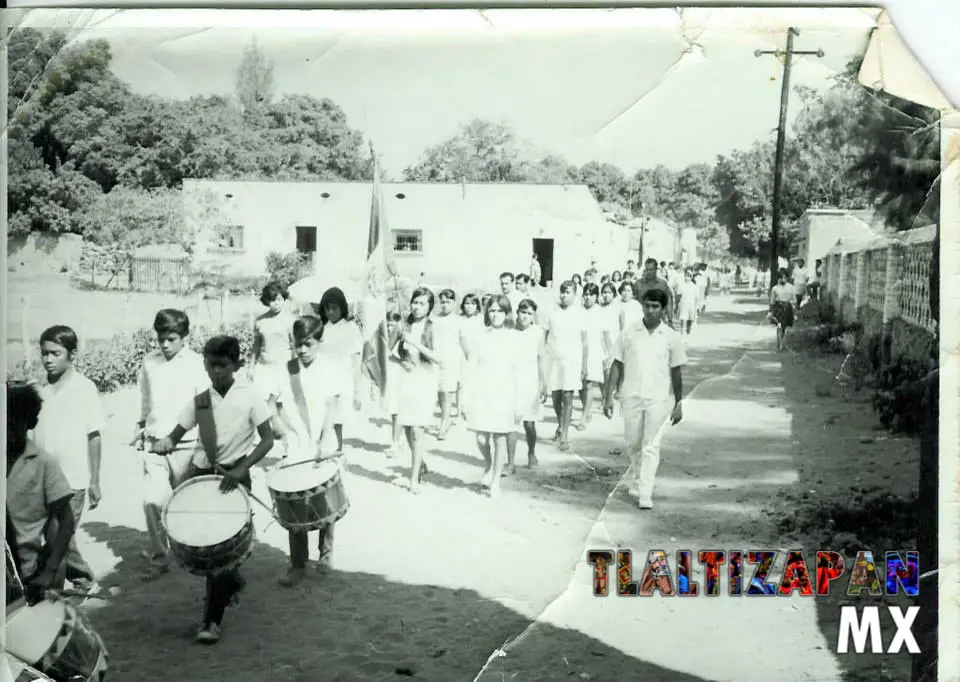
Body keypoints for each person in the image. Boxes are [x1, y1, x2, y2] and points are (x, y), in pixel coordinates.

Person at [152, 335, 275, 644]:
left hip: (236, 477)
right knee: (209, 548)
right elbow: (175, 433)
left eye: (223, 365)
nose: (217, 371)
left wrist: (242, 468)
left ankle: (211, 621)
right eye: (211, 365)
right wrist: (165, 442)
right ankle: (229, 583)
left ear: (236, 365)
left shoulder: (250, 397)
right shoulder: (201, 400)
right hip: (202, 476)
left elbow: (267, 440)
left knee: (221, 548)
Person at [136, 309, 209, 581]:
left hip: (186, 445)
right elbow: (145, 398)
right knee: (152, 500)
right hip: (154, 444)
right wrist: (141, 425)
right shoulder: (149, 363)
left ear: (184, 337)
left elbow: (203, 405)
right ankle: (159, 557)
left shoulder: (196, 363)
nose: (165, 344)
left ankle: (192, 551)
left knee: (185, 503)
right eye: (161, 338)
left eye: (171, 338)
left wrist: (203, 444)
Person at [272, 316, 342, 587]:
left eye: (308, 344)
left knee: (324, 498)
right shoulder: (285, 370)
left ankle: (325, 554)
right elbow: (274, 407)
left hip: (322, 441)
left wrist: (325, 440)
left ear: (319, 342)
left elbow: (333, 408)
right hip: (297, 445)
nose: (302, 350)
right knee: (295, 503)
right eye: (297, 344)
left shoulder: (330, 369)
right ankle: (298, 563)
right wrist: (284, 433)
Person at [32, 325, 102, 595]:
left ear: (71, 354)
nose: (48, 359)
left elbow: (94, 436)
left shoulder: (84, 388)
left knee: (56, 537)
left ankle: (54, 594)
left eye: (55, 353)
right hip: (43, 480)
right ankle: (83, 579)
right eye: (44, 353)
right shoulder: (39, 391)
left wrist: (94, 480)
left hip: (73, 479)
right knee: (57, 535)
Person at [602, 288, 686, 510]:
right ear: (642, 306)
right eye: (647, 305)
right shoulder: (630, 333)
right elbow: (617, 364)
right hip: (631, 395)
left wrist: (679, 402)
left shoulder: (671, 337)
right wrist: (608, 397)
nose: (650, 310)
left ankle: (645, 492)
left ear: (663, 308)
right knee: (633, 443)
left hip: (658, 399)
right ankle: (638, 479)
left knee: (650, 445)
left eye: (655, 306)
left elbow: (676, 372)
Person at [6, 382, 77, 605]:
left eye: (13, 421)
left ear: (29, 421)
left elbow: (66, 520)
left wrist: (50, 571)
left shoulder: (44, 464)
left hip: (32, 576)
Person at [464, 295, 522, 497]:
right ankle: (488, 465)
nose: (495, 314)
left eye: (499, 310)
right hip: (482, 391)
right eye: (492, 310)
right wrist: (466, 398)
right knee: (481, 438)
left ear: (506, 313)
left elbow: (518, 372)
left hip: (505, 392)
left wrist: (519, 404)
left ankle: (496, 481)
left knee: (499, 438)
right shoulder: (481, 337)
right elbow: (471, 367)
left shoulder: (514, 337)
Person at [393, 288, 442, 493]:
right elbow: (387, 351)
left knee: (417, 429)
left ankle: (414, 479)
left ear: (430, 307)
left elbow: (439, 359)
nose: (417, 307)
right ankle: (419, 462)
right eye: (415, 302)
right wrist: (400, 361)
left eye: (422, 303)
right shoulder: (402, 325)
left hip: (425, 380)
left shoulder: (434, 327)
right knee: (406, 426)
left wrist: (415, 343)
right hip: (407, 379)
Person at [315, 287, 363, 454]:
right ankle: (324, 450)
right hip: (323, 377)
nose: (331, 312)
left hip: (343, 377)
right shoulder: (321, 328)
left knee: (338, 417)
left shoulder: (351, 328)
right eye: (327, 308)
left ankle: (338, 450)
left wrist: (358, 390)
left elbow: (356, 360)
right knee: (322, 416)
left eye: (335, 308)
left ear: (342, 307)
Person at [544, 281, 588, 451]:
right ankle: (561, 424)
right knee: (555, 395)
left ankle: (564, 436)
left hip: (572, 359)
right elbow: (545, 334)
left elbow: (585, 342)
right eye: (562, 292)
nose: (563, 295)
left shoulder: (580, 314)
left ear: (575, 294)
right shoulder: (552, 312)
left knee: (567, 395)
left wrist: (584, 364)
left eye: (567, 292)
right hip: (554, 359)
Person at [510, 298, 547, 471]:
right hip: (511, 380)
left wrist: (544, 383)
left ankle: (531, 452)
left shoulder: (538, 332)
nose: (524, 317)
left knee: (529, 423)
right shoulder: (509, 331)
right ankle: (509, 460)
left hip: (530, 380)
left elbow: (541, 358)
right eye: (522, 312)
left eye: (529, 314)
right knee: (509, 422)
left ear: (533, 316)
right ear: (517, 313)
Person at [251, 282, 295, 411]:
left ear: (284, 300)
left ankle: (279, 430)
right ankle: (265, 430)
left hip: (283, 367)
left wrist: (296, 370)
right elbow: (256, 345)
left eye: (279, 300)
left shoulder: (290, 320)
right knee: (261, 402)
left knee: (281, 403)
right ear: (266, 301)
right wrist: (251, 366)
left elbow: (294, 346)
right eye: (272, 300)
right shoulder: (260, 321)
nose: (276, 303)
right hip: (264, 367)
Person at [577, 283, 605, 430]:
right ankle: (586, 409)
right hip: (578, 349)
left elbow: (606, 334)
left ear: (596, 296)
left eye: (591, 294)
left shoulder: (600, 312)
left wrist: (609, 355)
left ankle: (583, 416)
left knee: (588, 383)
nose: (588, 297)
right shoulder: (578, 311)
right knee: (580, 384)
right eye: (585, 294)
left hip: (594, 350)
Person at [769, 270, 795, 352]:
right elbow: (772, 301)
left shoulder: (791, 287)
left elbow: (794, 300)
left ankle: (783, 344)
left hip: (787, 308)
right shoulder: (775, 288)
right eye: (780, 278)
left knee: (786, 327)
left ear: (787, 278)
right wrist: (771, 312)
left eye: (784, 277)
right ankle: (779, 345)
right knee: (779, 326)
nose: (782, 280)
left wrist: (795, 310)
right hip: (778, 308)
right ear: (778, 279)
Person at [676, 270, 699, 336]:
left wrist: (697, 307)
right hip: (683, 304)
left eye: (688, 276)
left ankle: (688, 333)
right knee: (683, 319)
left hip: (692, 305)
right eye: (686, 276)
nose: (686, 278)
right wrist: (676, 305)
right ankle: (682, 334)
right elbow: (678, 296)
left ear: (691, 277)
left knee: (690, 320)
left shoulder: (694, 287)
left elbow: (696, 298)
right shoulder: (682, 285)